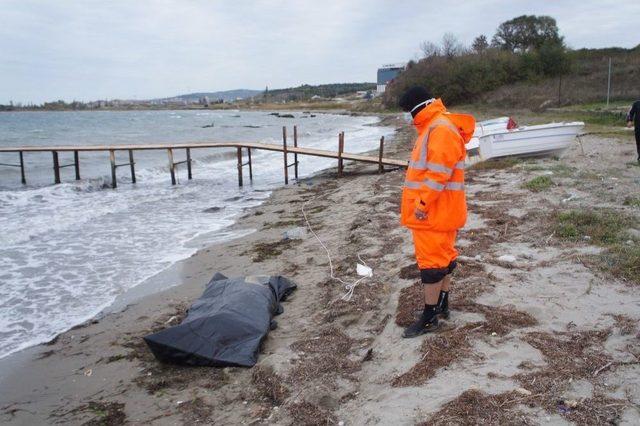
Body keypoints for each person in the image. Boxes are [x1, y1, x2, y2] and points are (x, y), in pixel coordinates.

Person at [398, 86, 475, 338]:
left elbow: (437, 174)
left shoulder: (438, 128)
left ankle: (430, 316)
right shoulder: (437, 125)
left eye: (410, 112)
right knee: (444, 258)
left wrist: (421, 205)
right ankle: (442, 304)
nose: (410, 118)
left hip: (433, 213)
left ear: (417, 108)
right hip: (443, 210)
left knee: (432, 264)